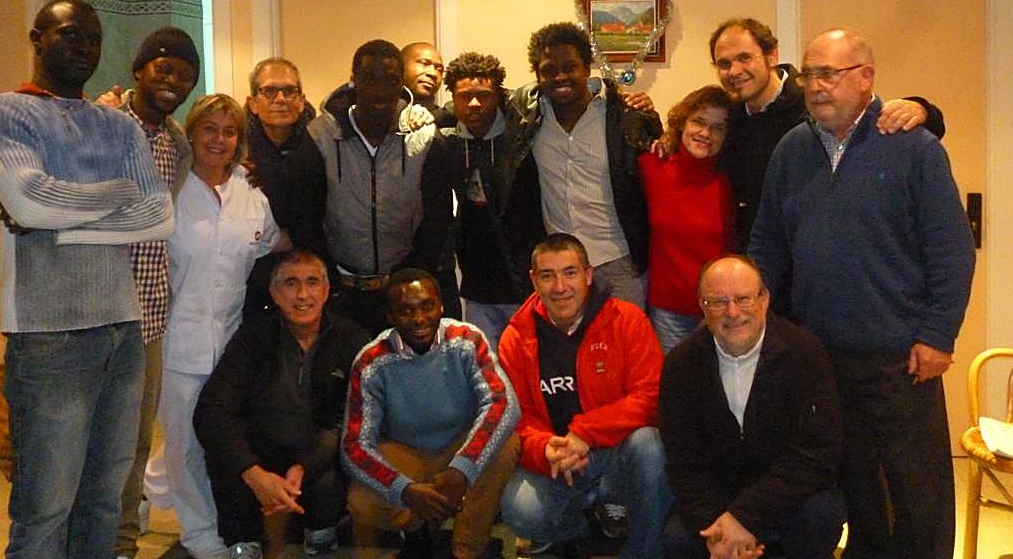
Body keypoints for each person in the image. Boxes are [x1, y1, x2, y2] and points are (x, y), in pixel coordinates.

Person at [749, 28, 975, 558]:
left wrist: (937, 336)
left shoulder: (913, 147)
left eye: (829, 73)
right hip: (821, 354)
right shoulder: (792, 150)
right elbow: (768, 241)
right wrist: (753, 313)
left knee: (916, 491)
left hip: (901, 357)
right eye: (810, 74)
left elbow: (952, 250)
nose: (815, 86)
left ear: (866, 77)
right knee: (855, 484)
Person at [0, 0, 174, 558]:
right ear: (37, 38)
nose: (84, 47)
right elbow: (29, 201)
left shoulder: (118, 125)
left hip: (123, 330)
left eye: (93, 39)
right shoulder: (3, 114)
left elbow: (159, 215)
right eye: (69, 34)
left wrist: (59, 221)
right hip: (48, 335)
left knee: (104, 502)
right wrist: (118, 195)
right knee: (46, 508)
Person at [153, 94, 281, 559]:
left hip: (231, 343)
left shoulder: (251, 193)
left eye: (229, 131)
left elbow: (270, 245)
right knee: (186, 443)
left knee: (221, 438)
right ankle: (202, 535)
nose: (219, 139)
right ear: (191, 133)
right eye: (209, 128)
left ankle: (153, 487)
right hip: (177, 340)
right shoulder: (172, 189)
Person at [660, 256, 844, 559]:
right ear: (702, 307)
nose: (733, 312)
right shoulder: (681, 364)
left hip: (788, 491)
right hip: (719, 495)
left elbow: (817, 455)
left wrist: (744, 519)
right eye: (718, 302)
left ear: (765, 299)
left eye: (743, 299)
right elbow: (684, 463)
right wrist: (719, 532)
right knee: (678, 539)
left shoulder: (806, 354)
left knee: (820, 517)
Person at [498, 233, 670, 558]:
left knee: (651, 446)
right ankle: (586, 524)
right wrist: (545, 449)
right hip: (560, 460)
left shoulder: (627, 320)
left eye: (570, 273)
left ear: (588, 274)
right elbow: (517, 417)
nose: (560, 286)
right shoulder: (515, 337)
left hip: (618, 453)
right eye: (547, 276)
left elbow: (651, 396)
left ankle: (642, 551)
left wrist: (585, 433)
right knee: (519, 510)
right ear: (534, 281)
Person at [708, 17, 944, 251]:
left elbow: (876, 121)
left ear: (772, 56)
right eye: (724, 64)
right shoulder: (727, 118)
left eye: (744, 58)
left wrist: (922, 109)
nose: (734, 71)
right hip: (762, 260)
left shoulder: (816, 104)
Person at [193, 249, 368, 558]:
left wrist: (305, 467)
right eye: (291, 283)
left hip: (318, 455)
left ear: (326, 290)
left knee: (331, 478)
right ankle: (243, 543)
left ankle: (322, 536)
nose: (302, 295)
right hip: (262, 452)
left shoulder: (351, 338)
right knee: (226, 455)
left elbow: (348, 420)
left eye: (312, 282)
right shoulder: (253, 337)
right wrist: (253, 473)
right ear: (274, 293)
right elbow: (212, 410)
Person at [342, 269, 519, 559]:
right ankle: (418, 524)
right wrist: (405, 489)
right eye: (405, 311)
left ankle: (466, 550)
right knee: (362, 502)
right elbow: (354, 446)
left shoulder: (467, 339)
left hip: (460, 446)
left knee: (506, 444)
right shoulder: (371, 361)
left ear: (441, 305)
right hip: (406, 454)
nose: (419, 318)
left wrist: (461, 469)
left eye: (427, 306)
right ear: (390, 316)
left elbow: (503, 403)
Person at [110, 26, 200, 559]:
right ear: (140, 69)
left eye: (185, 75)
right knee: (86, 443)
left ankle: (121, 543)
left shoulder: (176, 142)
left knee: (135, 440)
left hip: (147, 320)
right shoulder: (102, 122)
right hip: (95, 314)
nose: (173, 81)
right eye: (164, 69)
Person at [506, 22, 662, 309]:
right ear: (537, 75)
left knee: (625, 337)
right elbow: (475, 101)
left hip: (619, 263)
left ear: (587, 67)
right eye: (549, 70)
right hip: (560, 269)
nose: (560, 77)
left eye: (570, 67)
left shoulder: (626, 116)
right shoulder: (525, 116)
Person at [303, 39, 452, 336]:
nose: (380, 91)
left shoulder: (424, 137)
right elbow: (306, 218)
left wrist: (411, 277)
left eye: (391, 81)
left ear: (402, 85)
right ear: (354, 80)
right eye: (370, 80)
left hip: (402, 292)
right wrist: (328, 279)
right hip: (339, 291)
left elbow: (437, 219)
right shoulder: (321, 136)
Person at [440, 51, 535, 347]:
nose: (474, 103)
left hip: (523, 277)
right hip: (477, 281)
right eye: (464, 96)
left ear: (498, 96)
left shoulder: (522, 133)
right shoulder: (446, 139)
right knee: (484, 361)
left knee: (524, 360)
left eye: (483, 95)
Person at [640, 85, 735, 352]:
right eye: (698, 122)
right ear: (682, 122)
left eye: (717, 128)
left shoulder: (731, 181)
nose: (705, 133)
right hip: (668, 310)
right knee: (676, 376)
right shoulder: (652, 166)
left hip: (721, 308)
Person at [242, 57, 326, 317]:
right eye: (269, 91)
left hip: (309, 270)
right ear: (253, 103)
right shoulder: (237, 146)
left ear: (301, 100)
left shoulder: (321, 141)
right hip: (250, 275)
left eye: (289, 91)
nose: (280, 99)